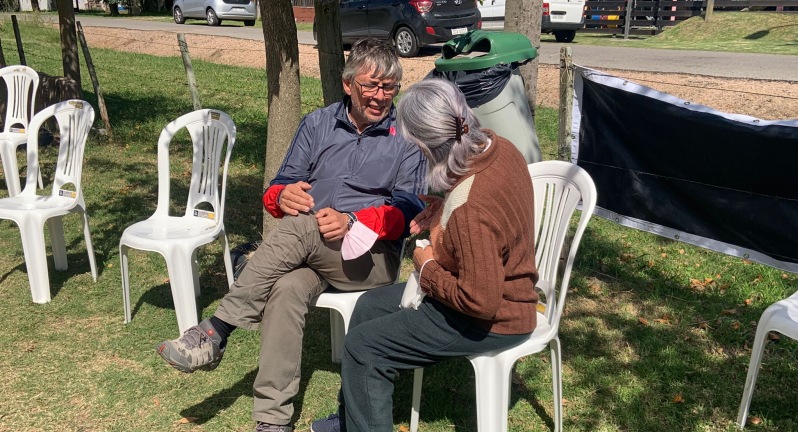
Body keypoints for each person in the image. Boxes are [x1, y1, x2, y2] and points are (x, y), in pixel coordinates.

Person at [156, 38, 427, 432]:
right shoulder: (317, 123)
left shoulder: (407, 136)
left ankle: (217, 330)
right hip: (312, 251)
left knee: (301, 226)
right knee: (285, 288)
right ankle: (272, 419)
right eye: (371, 85)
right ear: (348, 83)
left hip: (370, 258)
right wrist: (282, 195)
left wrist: (356, 222)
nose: (380, 97)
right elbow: (277, 189)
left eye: (389, 88)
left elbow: (410, 210)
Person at [310, 78, 540, 432]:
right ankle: (351, 420)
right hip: (498, 291)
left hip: (495, 319)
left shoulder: (470, 208)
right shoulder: (498, 146)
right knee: (368, 306)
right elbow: (484, 218)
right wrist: (442, 209)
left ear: (427, 146)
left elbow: (481, 301)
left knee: (363, 347)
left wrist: (428, 266)